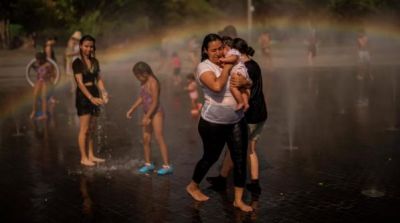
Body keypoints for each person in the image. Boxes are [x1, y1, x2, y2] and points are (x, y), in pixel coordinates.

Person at [185, 33, 253, 212]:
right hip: (212, 123)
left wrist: (246, 81)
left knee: (239, 159)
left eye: (219, 48)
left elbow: (248, 86)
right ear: (206, 51)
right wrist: (227, 67)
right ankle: (193, 185)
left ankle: (238, 200)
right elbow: (217, 86)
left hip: (236, 119)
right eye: (213, 50)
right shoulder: (203, 67)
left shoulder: (232, 61)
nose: (217, 53)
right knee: (211, 157)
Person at [207, 38, 268, 200]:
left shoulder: (243, 69)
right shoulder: (254, 64)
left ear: (236, 52)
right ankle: (232, 179)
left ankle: (242, 182)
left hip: (249, 115)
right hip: (260, 113)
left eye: (227, 49)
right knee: (244, 148)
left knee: (242, 149)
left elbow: (240, 86)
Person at [126, 61, 173, 175]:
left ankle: (167, 166)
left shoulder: (153, 82)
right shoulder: (144, 82)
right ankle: (148, 164)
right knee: (146, 139)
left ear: (145, 73)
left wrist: (147, 117)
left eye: (138, 76)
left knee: (158, 137)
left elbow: (155, 101)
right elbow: (142, 98)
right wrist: (132, 109)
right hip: (147, 112)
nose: (137, 79)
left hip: (156, 112)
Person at [73, 34, 108, 166]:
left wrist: (104, 92)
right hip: (84, 96)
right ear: (81, 46)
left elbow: (98, 79)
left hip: (94, 92)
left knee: (92, 128)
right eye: (86, 46)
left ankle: (91, 155)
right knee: (84, 129)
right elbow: (80, 83)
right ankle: (83, 157)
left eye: (91, 46)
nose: (89, 49)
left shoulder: (95, 61)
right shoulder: (77, 62)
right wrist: (91, 98)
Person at [220, 36, 250, 111]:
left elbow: (234, 58)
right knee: (242, 89)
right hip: (242, 72)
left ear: (226, 47)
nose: (220, 52)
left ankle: (240, 102)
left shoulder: (232, 52)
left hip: (238, 71)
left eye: (221, 49)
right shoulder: (231, 53)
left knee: (233, 87)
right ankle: (246, 104)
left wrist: (223, 60)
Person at [30, 52, 53, 120]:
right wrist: (33, 66)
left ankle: (44, 114)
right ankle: (34, 111)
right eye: (36, 59)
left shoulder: (48, 65)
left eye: (38, 59)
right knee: (35, 96)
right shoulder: (37, 64)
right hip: (38, 81)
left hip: (45, 82)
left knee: (43, 98)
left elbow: (52, 74)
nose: (37, 60)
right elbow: (37, 71)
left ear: (42, 59)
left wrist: (48, 77)